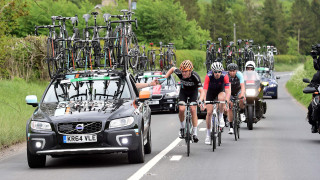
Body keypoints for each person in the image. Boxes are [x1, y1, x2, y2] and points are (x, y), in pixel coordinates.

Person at [164, 60, 204, 142]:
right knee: (181, 109)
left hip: (193, 93)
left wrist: (200, 100)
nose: (183, 73)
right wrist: (165, 77)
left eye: (185, 72)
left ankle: (195, 133)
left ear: (190, 71)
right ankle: (182, 128)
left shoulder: (195, 76)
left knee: (193, 110)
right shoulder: (179, 73)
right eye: (182, 71)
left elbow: (202, 91)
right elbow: (172, 69)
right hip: (183, 92)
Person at [199, 62, 230, 145]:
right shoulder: (208, 76)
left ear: (221, 71)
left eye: (219, 72)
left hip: (220, 91)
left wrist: (227, 100)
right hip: (210, 92)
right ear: (212, 72)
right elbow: (204, 90)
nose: (217, 74)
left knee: (221, 98)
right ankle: (208, 135)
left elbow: (227, 90)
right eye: (215, 72)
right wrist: (204, 101)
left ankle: (220, 116)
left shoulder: (225, 75)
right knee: (209, 113)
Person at [227, 63, 246, 134]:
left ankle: (242, 112)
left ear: (236, 71)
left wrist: (242, 94)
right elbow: (227, 88)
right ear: (228, 71)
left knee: (242, 98)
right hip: (230, 91)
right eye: (230, 71)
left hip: (238, 90)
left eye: (234, 71)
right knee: (230, 106)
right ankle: (231, 127)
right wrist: (228, 97)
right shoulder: (226, 76)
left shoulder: (239, 75)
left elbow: (243, 86)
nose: (232, 72)